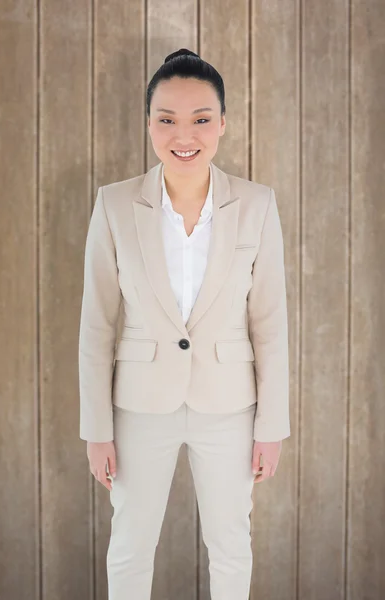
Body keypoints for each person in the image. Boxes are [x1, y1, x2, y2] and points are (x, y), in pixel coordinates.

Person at [78, 48, 290, 600]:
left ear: (221, 123)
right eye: (166, 119)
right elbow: (97, 325)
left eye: (200, 119)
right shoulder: (115, 204)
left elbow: (269, 322)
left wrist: (273, 424)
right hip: (139, 405)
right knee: (130, 544)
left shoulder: (257, 205)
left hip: (229, 405)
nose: (184, 134)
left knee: (231, 546)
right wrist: (95, 427)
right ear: (149, 124)